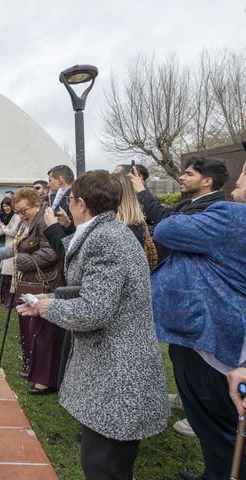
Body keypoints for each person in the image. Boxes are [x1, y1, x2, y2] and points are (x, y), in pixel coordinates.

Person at [17, 170, 169, 479]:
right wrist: (50, 301)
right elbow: (98, 290)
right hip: (111, 372)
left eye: (70, 200)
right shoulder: (107, 232)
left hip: (117, 373)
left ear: (81, 204)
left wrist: (50, 307)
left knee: (103, 466)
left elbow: (94, 310)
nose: (66, 206)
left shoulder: (106, 239)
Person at [150, 167, 246, 480]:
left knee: (219, 423)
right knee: (214, 424)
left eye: (244, 173)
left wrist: (178, 217)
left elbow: (165, 230)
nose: (239, 179)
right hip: (207, 336)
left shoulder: (231, 216)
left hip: (211, 345)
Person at [0, 187, 62, 394]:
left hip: (46, 285)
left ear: (36, 204)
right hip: (32, 283)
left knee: (43, 333)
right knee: (34, 331)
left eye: (24, 211)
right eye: (19, 212)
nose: (22, 215)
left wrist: (20, 261)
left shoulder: (44, 221)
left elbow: (50, 254)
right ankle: (35, 370)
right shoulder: (34, 221)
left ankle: (45, 379)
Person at [129, 156, 228, 260]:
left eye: (189, 174)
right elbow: (160, 216)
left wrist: (141, 191)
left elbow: (165, 221)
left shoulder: (213, 208)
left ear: (207, 181)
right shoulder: (187, 203)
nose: (181, 177)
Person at [0, 198, 20, 306]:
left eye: (7, 206)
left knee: (8, 277)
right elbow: (6, 228)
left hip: (12, 248)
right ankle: (5, 301)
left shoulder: (17, 217)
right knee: (5, 277)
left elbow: (12, 232)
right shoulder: (14, 216)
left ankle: (9, 302)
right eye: (3, 206)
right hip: (8, 247)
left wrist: (2, 228)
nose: (5, 208)